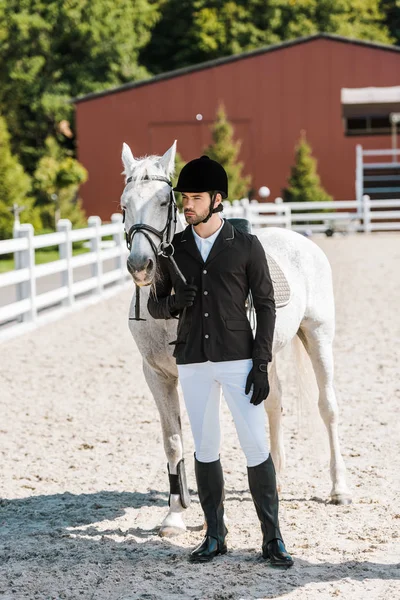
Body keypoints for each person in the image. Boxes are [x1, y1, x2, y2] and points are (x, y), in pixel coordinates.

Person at [147, 155, 293, 568]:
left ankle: (272, 538)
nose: (187, 205)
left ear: (217, 199)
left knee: (255, 446)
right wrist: (176, 302)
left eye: (195, 197)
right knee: (206, 447)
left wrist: (261, 364)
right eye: (184, 198)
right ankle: (214, 535)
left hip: (238, 360)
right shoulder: (174, 249)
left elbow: (266, 306)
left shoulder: (245, 246)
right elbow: (156, 306)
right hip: (192, 361)